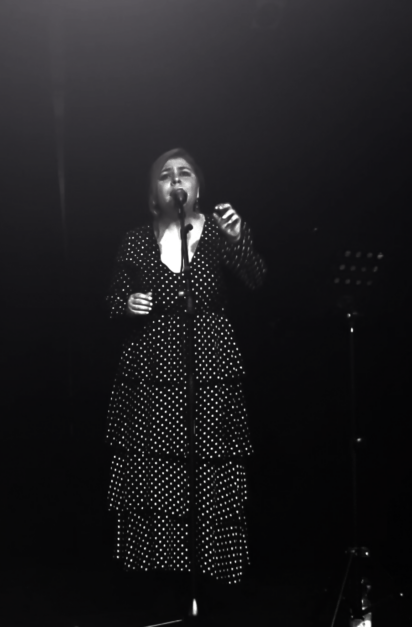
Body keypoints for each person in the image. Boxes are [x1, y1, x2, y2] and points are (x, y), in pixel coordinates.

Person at [105, 149, 267, 586]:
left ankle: (209, 575)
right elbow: (111, 300)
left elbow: (255, 278)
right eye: (166, 175)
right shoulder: (136, 239)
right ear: (154, 192)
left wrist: (238, 239)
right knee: (157, 468)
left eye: (185, 173)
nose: (176, 181)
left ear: (198, 187)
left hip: (209, 366)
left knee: (209, 465)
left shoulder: (220, 232)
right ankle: (161, 577)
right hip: (152, 368)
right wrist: (127, 304)